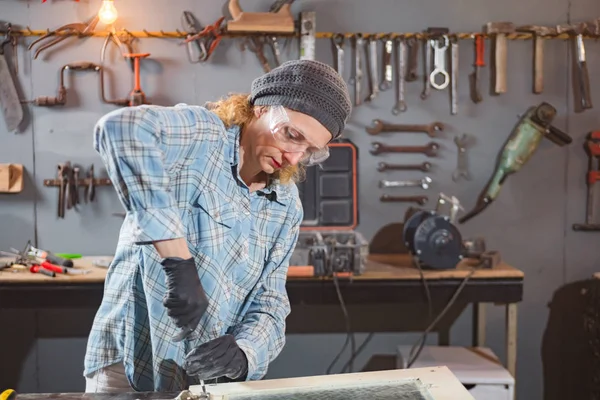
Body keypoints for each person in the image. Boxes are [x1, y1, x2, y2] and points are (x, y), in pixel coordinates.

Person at [83, 59, 352, 393]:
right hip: (129, 363)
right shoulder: (203, 137)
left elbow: (270, 302)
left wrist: (245, 354)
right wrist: (177, 262)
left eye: (308, 150)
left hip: (204, 381)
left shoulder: (285, 205)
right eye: (291, 135)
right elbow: (120, 129)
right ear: (261, 108)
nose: (294, 157)